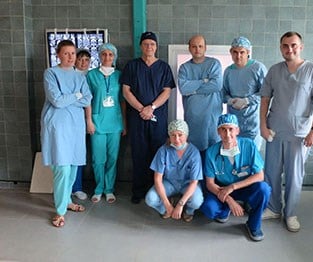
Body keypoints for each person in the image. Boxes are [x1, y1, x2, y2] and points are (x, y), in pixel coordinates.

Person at [260, 31, 313, 232]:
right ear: (280, 47)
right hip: (275, 132)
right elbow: (265, 99)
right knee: (271, 173)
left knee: (294, 176)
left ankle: (290, 213)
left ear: (301, 47)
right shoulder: (274, 71)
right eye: (284, 46)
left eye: (293, 45)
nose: (289, 49)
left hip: (300, 135)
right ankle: (274, 208)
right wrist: (263, 126)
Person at [40, 40, 92, 227]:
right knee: (62, 168)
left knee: (72, 167)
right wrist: (76, 96)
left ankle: (68, 202)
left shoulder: (80, 77)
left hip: (75, 126)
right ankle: (60, 211)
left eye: (73, 53)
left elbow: (88, 98)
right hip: (57, 125)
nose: (70, 57)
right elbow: (57, 101)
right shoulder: (51, 73)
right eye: (66, 53)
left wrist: (71, 97)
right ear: (58, 54)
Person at [121, 32, 176, 204]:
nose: (149, 47)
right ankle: (138, 191)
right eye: (145, 44)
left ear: (156, 46)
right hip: (137, 118)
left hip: (157, 117)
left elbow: (167, 91)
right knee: (139, 153)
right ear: (140, 46)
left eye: (152, 44)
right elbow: (126, 91)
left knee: (158, 154)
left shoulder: (164, 67)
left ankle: (158, 190)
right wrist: (141, 109)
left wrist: (151, 107)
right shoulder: (132, 66)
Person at [200, 114, 271, 241]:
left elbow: (260, 175)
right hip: (222, 189)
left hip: (244, 187)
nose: (227, 134)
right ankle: (225, 209)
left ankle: (253, 225)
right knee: (209, 209)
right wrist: (229, 199)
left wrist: (233, 187)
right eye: (223, 129)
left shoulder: (248, 145)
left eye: (231, 129)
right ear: (218, 132)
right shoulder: (211, 152)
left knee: (263, 189)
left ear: (237, 130)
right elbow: (210, 184)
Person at [85, 43, 126, 204]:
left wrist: (124, 123)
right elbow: (87, 100)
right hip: (97, 123)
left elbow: (123, 101)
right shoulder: (91, 75)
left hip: (115, 123)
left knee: (112, 158)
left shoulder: (120, 76)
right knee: (98, 158)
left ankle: (109, 189)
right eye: (104, 54)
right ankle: (99, 188)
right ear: (99, 56)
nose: (107, 57)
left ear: (114, 56)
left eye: (110, 54)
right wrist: (89, 121)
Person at [145, 120, 204, 222]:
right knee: (150, 199)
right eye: (173, 135)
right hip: (169, 183)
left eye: (180, 135)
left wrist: (180, 205)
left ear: (186, 135)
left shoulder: (194, 153)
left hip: (187, 184)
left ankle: (189, 211)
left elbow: (194, 182)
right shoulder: (163, 151)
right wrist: (166, 204)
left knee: (196, 201)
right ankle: (165, 209)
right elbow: (157, 179)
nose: (176, 139)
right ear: (169, 136)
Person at [178, 34, 223, 153]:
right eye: (194, 46)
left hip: (211, 117)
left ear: (205, 47)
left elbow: (217, 85)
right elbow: (183, 88)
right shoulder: (185, 68)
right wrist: (205, 81)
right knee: (195, 153)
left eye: (200, 46)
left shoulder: (214, 64)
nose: (197, 49)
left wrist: (193, 89)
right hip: (193, 119)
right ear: (189, 48)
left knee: (213, 153)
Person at [222, 36, 267, 150]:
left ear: (248, 52)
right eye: (235, 52)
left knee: (251, 157)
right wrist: (230, 101)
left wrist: (247, 101)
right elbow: (223, 94)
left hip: (253, 122)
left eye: (242, 52)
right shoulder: (228, 71)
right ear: (231, 53)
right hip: (234, 123)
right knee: (235, 157)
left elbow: (266, 93)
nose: (238, 56)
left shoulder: (258, 68)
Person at [71, 49, 91, 200]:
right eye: (81, 59)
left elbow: (87, 100)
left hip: (90, 121)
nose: (83, 62)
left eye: (87, 60)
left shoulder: (93, 76)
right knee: (74, 155)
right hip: (73, 120)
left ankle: (79, 186)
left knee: (82, 154)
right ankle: (74, 187)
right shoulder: (70, 76)